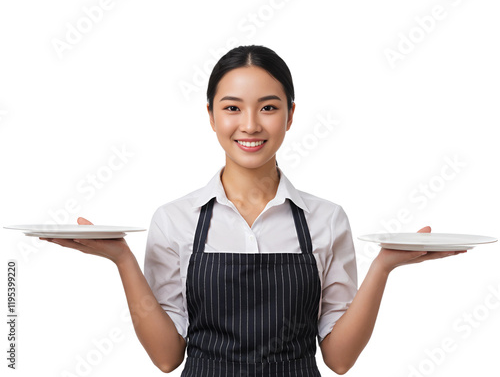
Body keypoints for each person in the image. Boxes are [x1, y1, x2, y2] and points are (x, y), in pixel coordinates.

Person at [40, 44, 466, 375]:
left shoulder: (326, 219)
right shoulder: (175, 219)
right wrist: (121, 259)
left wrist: (384, 266)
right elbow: (168, 358)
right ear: (210, 115)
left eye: (268, 107)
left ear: (290, 115)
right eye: (231, 108)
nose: (250, 125)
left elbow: (338, 359)